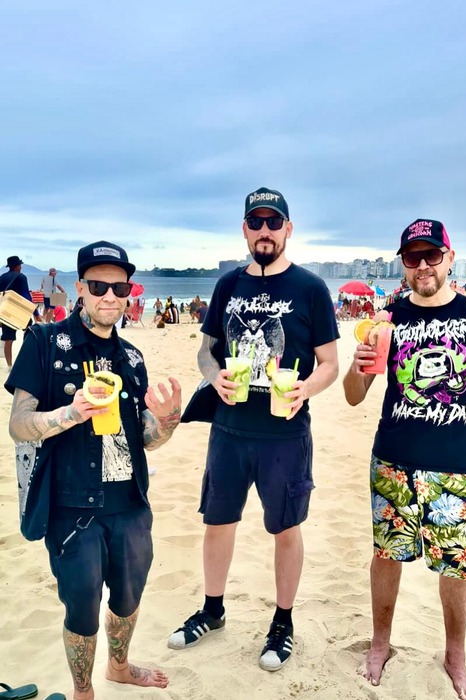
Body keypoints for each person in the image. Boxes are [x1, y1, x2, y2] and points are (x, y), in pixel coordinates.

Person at [343, 219, 466, 700]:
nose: (422, 265)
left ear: (449, 257)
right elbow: (354, 396)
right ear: (403, 264)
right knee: (386, 557)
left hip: (461, 465)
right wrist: (357, 366)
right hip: (393, 461)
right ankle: (380, 643)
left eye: (432, 255)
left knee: (456, 569)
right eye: (412, 257)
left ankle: (455, 656)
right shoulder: (388, 320)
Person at [167, 186, 339, 671]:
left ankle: (282, 623)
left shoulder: (311, 289)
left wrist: (305, 389)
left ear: (288, 229)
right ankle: (212, 610)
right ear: (245, 229)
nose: (265, 231)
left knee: (285, 527)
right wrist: (212, 376)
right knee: (217, 521)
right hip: (229, 429)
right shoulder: (227, 285)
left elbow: (330, 363)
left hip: (285, 433)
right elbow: (206, 351)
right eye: (256, 222)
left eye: (274, 222)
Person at [5, 240, 182, 700]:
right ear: (80, 288)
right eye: (98, 286)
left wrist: (167, 421)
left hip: (129, 503)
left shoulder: (132, 358)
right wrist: (70, 413)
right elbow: (19, 425)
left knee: (128, 597)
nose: (109, 296)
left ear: (129, 293)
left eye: (119, 288)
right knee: (81, 608)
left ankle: (118, 667)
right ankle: (83, 690)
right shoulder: (45, 343)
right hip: (72, 506)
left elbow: (145, 439)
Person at [0, 255, 41, 368]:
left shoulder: (2, 277)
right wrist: (36, 313)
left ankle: (9, 365)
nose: (21, 267)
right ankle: (25, 357)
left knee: (8, 339)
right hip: (20, 311)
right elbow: (26, 295)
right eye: (20, 265)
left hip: (6, 312)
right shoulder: (21, 277)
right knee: (29, 332)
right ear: (17, 266)